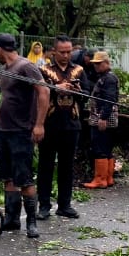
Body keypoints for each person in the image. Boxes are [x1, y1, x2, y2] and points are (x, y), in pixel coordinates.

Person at [0, 33, 48, 238]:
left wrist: (39, 124)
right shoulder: (5, 70)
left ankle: (31, 222)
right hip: (3, 130)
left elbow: (44, 92)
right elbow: (7, 99)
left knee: (24, 178)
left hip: (21, 130)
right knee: (8, 177)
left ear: (0, 49)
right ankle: (12, 218)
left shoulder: (25, 66)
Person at [37, 35, 84, 220]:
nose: (66, 55)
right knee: (45, 166)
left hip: (72, 125)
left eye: (69, 52)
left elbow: (89, 93)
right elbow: (38, 93)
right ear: (54, 52)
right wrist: (56, 88)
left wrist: (79, 91)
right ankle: (44, 205)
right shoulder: (44, 70)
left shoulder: (79, 70)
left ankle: (65, 205)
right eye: (62, 52)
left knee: (67, 166)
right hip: (49, 125)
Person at [82, 51, 119, 189]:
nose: (96, 66)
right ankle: (108, 178)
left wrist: (103, 118)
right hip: (107, 118)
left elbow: (109, 99)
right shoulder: (106, 77)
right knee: (107, 148)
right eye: (95, 64)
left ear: (106, 63)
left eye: (99, 64)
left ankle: (100, 179)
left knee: (99, 148)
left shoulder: (109, 79)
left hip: (103, 118)